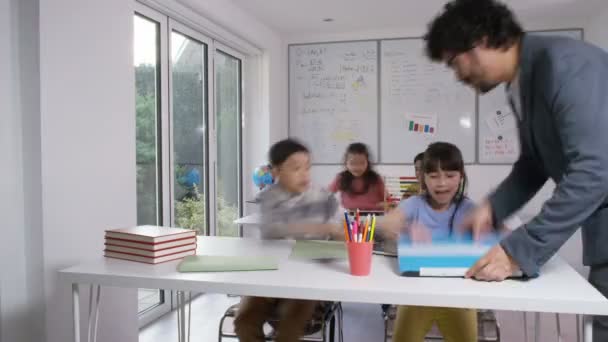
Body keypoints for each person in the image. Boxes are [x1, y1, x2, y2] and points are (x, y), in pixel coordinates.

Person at [425, 0, 608, 339]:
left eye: (454, 63)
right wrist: (493, 208)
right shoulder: (520, 84)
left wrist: (518, 251)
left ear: (479, 40)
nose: (458, 75)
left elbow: (595, 170)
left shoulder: (564, 64)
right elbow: (533, 164)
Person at [234, 138, 343, 342]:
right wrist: (316, 227)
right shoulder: (269, 197)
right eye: (296, 168)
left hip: (307, 280)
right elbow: (274, 229)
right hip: (270, 277)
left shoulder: (323, 197)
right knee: (244, 322)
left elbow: (343, 229)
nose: (304, 174)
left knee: (290, 328)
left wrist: (339, 232)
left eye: (307, 168)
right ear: (276, 172)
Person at [382, 142, 477, 342]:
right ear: (423, 178)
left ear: (461, 176)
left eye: (450, 175)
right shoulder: (414, 204)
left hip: (458, 296)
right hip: (416, 294)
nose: (441, 183)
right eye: (433, 176)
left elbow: (493, 233)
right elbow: (387, 223)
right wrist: (404, 228)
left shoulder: (468, 208)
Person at [328, 142, 386, 211]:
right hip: (350, 216)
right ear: (346, 163)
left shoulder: (376, 178)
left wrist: (386, 204)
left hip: (374, 215)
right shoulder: (341, 177)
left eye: (362, 163)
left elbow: (387, 200)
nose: (357, 167)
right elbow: (326, 195)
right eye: (352, 163)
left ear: (368, 162)